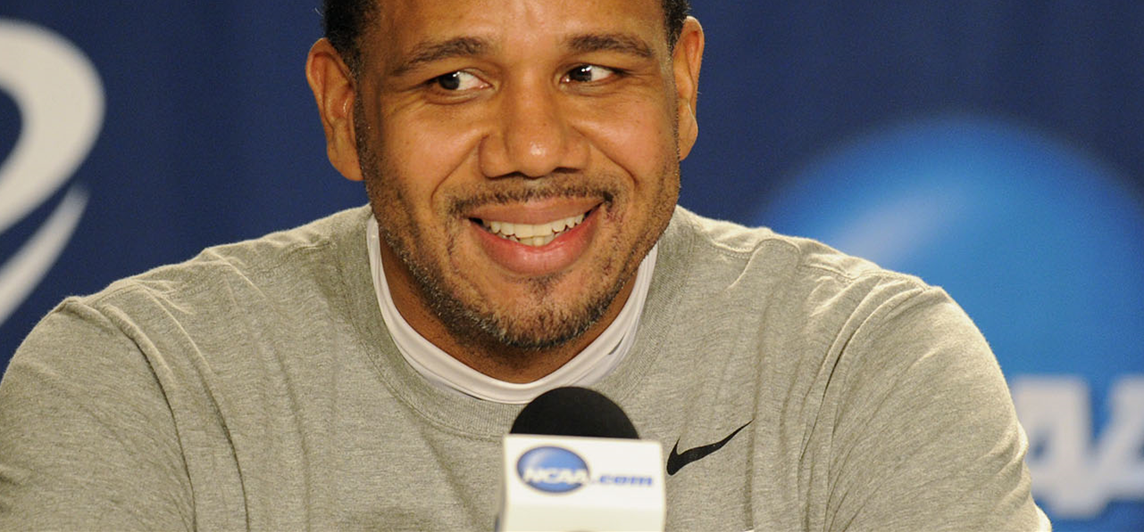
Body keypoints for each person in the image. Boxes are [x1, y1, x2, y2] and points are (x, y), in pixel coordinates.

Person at [0, 0, 1049, 530]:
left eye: (591, 71)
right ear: (342, 109)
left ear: (681, 87)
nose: (532, 146)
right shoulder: (140, 385)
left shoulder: (865, 366)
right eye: (454, 80)